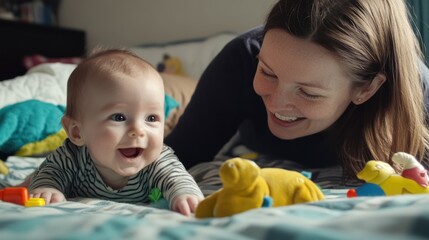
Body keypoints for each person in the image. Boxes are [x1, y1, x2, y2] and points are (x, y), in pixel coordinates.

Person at [165, 0, 429, 180]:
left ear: (367, 89)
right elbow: (174, 160)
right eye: (267, 73)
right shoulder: (241, 58)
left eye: (308, 92)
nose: (277, 103)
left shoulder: (415, 95)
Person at [28, 49, 204, 216]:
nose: (138, 130)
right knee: (35, 177)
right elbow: (49, 174)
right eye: (119, 117)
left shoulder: (157, 161)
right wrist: (48, 189)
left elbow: (177, 179)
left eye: (151, 118)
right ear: (77, 132)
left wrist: (184, 195)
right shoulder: (71, 157)